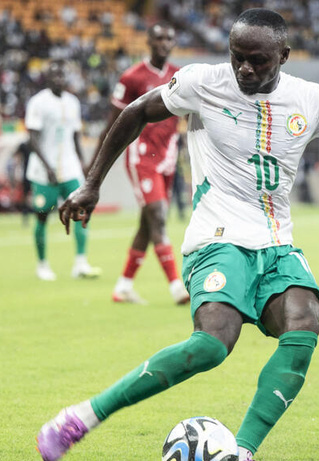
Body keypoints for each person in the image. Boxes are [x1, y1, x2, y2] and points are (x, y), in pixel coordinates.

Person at [36, 8, 319, 461]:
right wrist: (93, 182)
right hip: (217, 238)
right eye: (238, 56)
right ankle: (80, 417)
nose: (245, 69)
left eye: (258, 60)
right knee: (213, 344)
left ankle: (243, 451)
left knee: (304, 322)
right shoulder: (203, 82)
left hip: (276, 243)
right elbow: (136, 112)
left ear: (284, 56)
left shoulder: (314, 100)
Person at [97, 22, 189, 305]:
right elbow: (112, 123)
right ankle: (177, 287)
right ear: (148, 41)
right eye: (158, 38)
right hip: (142, 157)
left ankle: (123, 287)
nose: (164, 43)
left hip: (168, 159)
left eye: (169, 38)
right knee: (158, 216)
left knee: (148, 224)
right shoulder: (132, 77)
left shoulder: (180, 76)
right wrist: (95, 167)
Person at [25, 59, 101, 281]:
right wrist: (47, 167)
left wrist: (83, 163)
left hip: (69, 168)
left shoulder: (73, 102)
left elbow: (75, 136)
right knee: (42, 216)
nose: (59, 79)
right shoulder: (38, 102)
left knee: (81, 210)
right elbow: (32, 138)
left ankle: (80, 263)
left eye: (62, 75)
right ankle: (42, 264)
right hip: (43, 172)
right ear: (47, 78)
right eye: (54, 75)